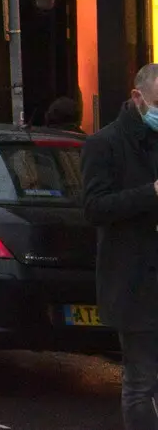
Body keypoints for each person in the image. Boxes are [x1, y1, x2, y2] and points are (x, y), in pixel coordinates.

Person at [82, 63, 158, 430]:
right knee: (142, 381)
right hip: (134, 280)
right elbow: (95, 208)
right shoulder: (105, 144)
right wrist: (151, 194)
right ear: (137, 97)